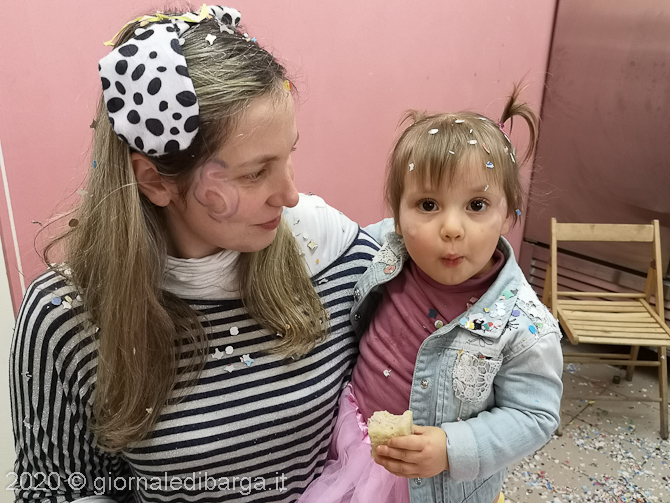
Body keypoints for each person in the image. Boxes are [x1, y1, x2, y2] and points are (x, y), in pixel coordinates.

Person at [10, 5, 378, 502]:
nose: (290, 196)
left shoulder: (331, 253)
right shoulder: (67, 316)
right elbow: (54, 489)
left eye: (288, 155)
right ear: (156, 181)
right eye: (254, 173)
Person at [299, 87, 564, 503]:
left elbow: (534, 415)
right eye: (427, 205)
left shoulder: (525, 326)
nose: (452, 228)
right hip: (354, 440)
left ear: (509, 214)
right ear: (398, 216)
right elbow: (326, 239)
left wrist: (453, 447)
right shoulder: (386, 249)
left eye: (476, 205)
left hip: (435, 483)